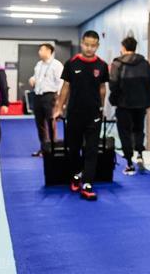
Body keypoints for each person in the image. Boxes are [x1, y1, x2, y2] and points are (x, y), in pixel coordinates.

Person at [53, 30, 109, 201]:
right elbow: (65, 87)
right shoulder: (71, 63)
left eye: (93, 45)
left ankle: (87, 183)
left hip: (94, 114)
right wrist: (59, 108)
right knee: (74, 148)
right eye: (86, 44)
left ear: (97, 46)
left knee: (91, 149)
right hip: (74, 113)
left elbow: (102, 89)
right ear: (81, 43)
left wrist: (102, 108)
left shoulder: (102, 65)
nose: (89, 48)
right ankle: (77, 174)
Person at [109, 36, 150, 176]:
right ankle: (140, 154)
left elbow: (113, 84)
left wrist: (114, 100)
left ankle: (129, 162)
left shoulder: (117, 64)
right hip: (140, 104)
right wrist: (149, 101)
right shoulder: (144, 63)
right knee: (139, 129)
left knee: (125, 133)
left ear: (123, 48)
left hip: (123, 104)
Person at [28, 43, 63, 157]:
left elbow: (61, 82)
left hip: (50, 96)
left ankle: (53, 147)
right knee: (40, 124)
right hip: (38, 96)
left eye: (41, 50)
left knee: (51, 122)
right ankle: (44, 148)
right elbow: (36, 77)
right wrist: (32, 79)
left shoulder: (56, 65)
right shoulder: (39, 64)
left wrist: (59, 100)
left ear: (49, 51)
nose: (39, 52)